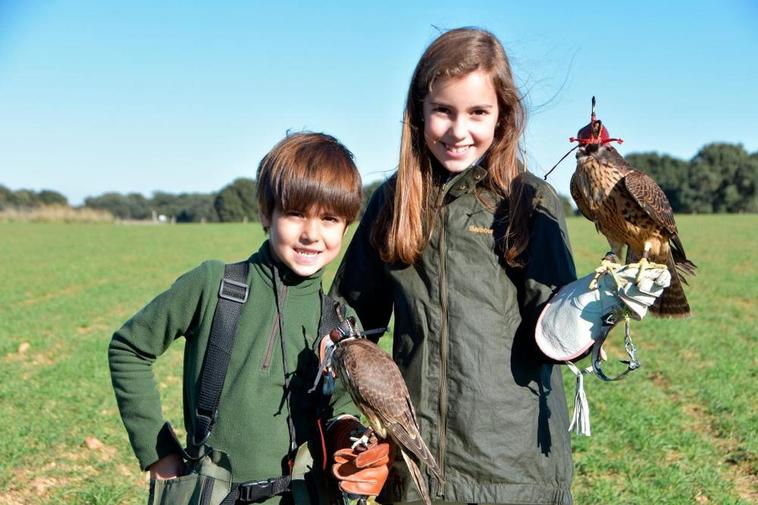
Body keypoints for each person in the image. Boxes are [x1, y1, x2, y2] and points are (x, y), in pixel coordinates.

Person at [329, 28, 578, 505]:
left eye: (478, 112)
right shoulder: (394, 202)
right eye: (443, 110)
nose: (459, 130)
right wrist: (346, 418)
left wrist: (595, 310)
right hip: (413, 474)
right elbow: (348, 327)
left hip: (513, 474)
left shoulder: (528, 202)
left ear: (502, 116)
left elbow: (558, 334)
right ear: (418, 111)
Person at [108, 132, 387, 505]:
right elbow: (129, 348)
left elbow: (342, 403)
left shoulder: (339, 321)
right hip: (213, 494)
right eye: (295, 214)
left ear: (346, 227)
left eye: (330, 219)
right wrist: (159, 452)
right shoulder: (214, 287)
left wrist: (349, 438)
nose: (311, 234)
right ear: (264, 213)